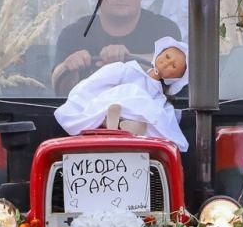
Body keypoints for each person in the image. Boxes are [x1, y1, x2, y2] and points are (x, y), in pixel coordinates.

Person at [51, 0, 182, 95]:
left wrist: (129, 58)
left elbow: (175, 76)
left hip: (149, 115)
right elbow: (58, 90)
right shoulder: (74, 34)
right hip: (90, 114)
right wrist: (68, 67)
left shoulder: (164, 30)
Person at [55, 37, 189, 150]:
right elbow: (103, 79)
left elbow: (158, 113)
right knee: (126, 94)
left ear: (176, 78)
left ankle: (129, 126)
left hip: (137, 115)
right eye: (167, 56)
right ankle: (109, 121)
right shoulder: (129, 69)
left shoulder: (158, 95)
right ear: (159, 53)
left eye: (174, 66)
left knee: (154, 114)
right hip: (116, 102)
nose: (167, 63)